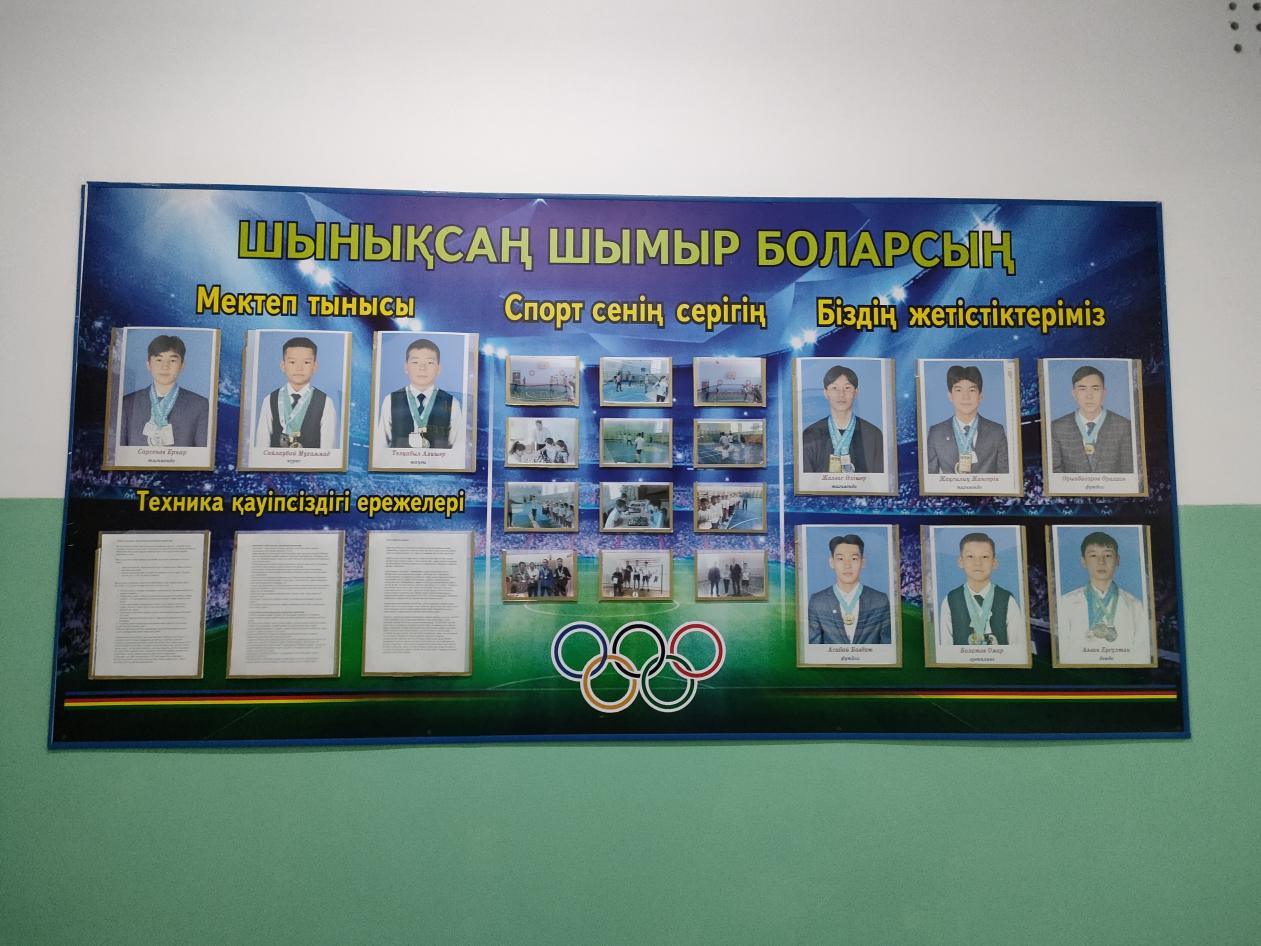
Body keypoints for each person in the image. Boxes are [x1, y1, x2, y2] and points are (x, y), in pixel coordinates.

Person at [1055, 531, 1151, 663]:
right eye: (1093, 555)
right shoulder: (1065, 603)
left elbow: (1140, 654)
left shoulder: (1135, 605)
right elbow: (1063, 653)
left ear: (1117, 560)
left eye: (1108, 555)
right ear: (1083, 561)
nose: (1101, 561)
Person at [119, 334, 210, 447]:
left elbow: (202, 454)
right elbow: (120, 451)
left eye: (172, 360)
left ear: (182, 366)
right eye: (159, 360)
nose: (165, 366)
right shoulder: (127, 403)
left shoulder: (200, 405)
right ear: (148, 365)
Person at [376, 338, 464, 453]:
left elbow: (457, 449)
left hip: (438, 464)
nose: (422, 368)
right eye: (415, 362)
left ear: (439, 368)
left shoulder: (451, 403)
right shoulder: (391, 400)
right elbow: (381, 446)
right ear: (406, 367)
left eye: (430, 362)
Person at [937, 532, 1024, 646]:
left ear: (994, 563)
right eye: (970, 556)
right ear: (961, 562)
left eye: (985, 557)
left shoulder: (1007, 600)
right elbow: (946, 648)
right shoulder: (950, 600)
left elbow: (1017, 647)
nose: (978, 563)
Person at [807, 534, 892, 644]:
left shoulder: (880, 601)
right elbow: (813, 649)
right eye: (840, 559)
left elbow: (887, 647)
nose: (847, 565)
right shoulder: (817, 602)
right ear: (832, 563)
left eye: (854, 558)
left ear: (863, 562)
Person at [255, 336, 337, 449]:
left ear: (314, 366)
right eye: (292, 362)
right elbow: (262, 444)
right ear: (283, 366)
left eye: (306, 362)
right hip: (275, 460)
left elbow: (328, 449)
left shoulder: (326, 402)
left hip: (311, 460)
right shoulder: (269, 399)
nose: (299, 368)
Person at [1049, 365, 1134, 474]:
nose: (1089, 396)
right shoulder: (1057, 428)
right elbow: (1055, 473)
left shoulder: (1123, 426)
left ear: (1104, 393)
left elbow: (1128, 472)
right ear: (1074, 393)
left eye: (1095, 389)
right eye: (1082, 389)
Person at [925, 365, 1008, 475]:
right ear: (950, 396)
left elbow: (1005, 475)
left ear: (980, 396)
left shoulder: (997, 431)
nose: (966, 397)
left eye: (972, 390)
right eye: (959, 390)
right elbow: (930, 478)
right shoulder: (936, 433)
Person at [801, 365, 884, 474]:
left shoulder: (873, 434)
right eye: (834, 388)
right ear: (825, 393)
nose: (841, 394)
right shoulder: (810, 434)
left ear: (856, 392)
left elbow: (879, 479)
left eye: (847, 388)